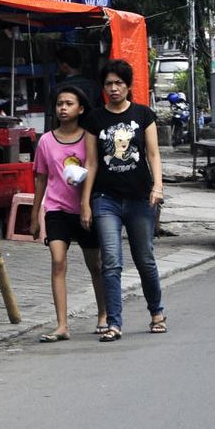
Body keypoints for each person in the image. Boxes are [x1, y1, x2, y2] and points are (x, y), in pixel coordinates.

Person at [80, 60, 167, 342]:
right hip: (106, 200)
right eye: (109, 84)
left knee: (145, 260)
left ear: (128, 86)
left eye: (119, 83)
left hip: (141, 199)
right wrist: (85, 202)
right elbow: (91, 163)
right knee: (111, 262)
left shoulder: (144, 115)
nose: (114, 88)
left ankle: (156, 313)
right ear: (103, 87)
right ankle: (114, 323)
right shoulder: (94, 119)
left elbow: (153, 154)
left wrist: (158, 187)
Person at [30, 85, 108, 342]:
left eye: (69, 103)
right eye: (59, 103)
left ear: (81, 108)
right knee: (57, 262)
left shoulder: (89, 137)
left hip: (85, 209)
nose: (63, 108)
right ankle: (62, 324)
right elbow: (41, 179)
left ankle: (103, 315)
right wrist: (34, 216)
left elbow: (94, 168)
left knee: (95, 266)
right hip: (56, 209)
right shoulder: (46, 141)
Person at [55, 46, 102, 111]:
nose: (58, 69)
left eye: (58, 65)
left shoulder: (57, 89)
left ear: (65, 66)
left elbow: (52, 116)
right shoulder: (94, 86)